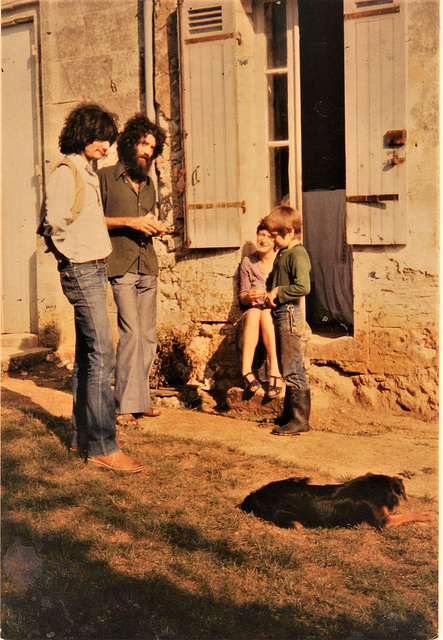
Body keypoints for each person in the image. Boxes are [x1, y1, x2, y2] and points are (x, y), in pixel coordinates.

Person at [42, 102, 143, 472]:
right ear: (84, 134)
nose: (106, 146)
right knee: (104, 354)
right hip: (82, 270)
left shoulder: (87, 170)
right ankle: (102, 445)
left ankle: (81, 438)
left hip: (94, 269)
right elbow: (54, 225)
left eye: (109, 141)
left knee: (88, 356)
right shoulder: (66, 172)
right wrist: (75, 258)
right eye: (101, 138)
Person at [98, 114, 167, 428]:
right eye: (143, 144)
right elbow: (94, 221)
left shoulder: (150, 183)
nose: (148, 152)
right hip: (121, 265)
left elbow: (145, 218)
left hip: (147, 265)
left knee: (148, 336)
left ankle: (141, 400)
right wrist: (130, 222)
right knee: (131, 333)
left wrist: (154, 227)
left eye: (152, 147)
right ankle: (124, 405)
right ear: (129, 143)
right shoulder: (104, 179)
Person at [263, 205, 312, 435]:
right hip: (281, 312)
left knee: (292, 366)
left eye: (276, 236)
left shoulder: (297, 254)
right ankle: (289, 415)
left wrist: (279, 292)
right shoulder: (284, 253)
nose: (273, 240)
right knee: (286, 365)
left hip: (290, 313)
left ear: (290, 232)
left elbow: (303, 286)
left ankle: (300, 420)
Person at [238, 221, 282, 397]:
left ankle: (275, 371)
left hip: (274, 310)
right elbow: (242, 296)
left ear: (276, 241)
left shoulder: (281, 260)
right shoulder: (248, 262)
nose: (263, 240)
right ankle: (246, 371)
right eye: (261, 235)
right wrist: (249, 297)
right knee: (256, 313)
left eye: (269, 237)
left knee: (265, 314)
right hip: (253, 310)